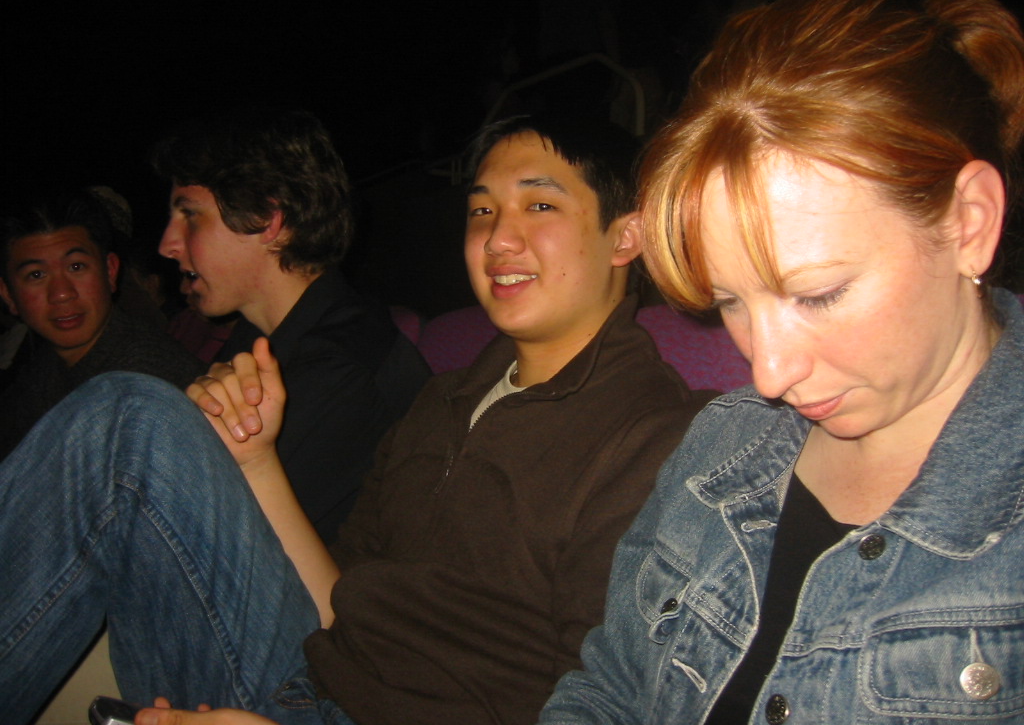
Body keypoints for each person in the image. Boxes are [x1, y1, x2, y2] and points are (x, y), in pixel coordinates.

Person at [0, 116, 713, 725]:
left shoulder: (654, 437)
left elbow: (601, 702)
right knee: (134, 416)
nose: (498, 238)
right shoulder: (444, 400)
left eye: (540, 205)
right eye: (482, 212)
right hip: (305, 679)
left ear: (626, 237)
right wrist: (256, 460)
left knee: (133, 416)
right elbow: (340, 602)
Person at [539, 0, 1024, 724]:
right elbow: (610, 689)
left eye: (819, 294)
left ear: (970, 222)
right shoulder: (721, 444)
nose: (767, 375)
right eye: (731, 302)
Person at [152, 110, 431, 542]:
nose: (167, 245)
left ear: (268, 219)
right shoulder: (258, 339)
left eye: (190, 215)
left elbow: (215, 541)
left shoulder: (342, 368)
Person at [0, 189, 204, 458]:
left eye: (76, 267)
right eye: (36, 275)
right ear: (8, 295)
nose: (61, 293)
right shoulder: (43, 369)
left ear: (110, 271)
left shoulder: (146, 379)